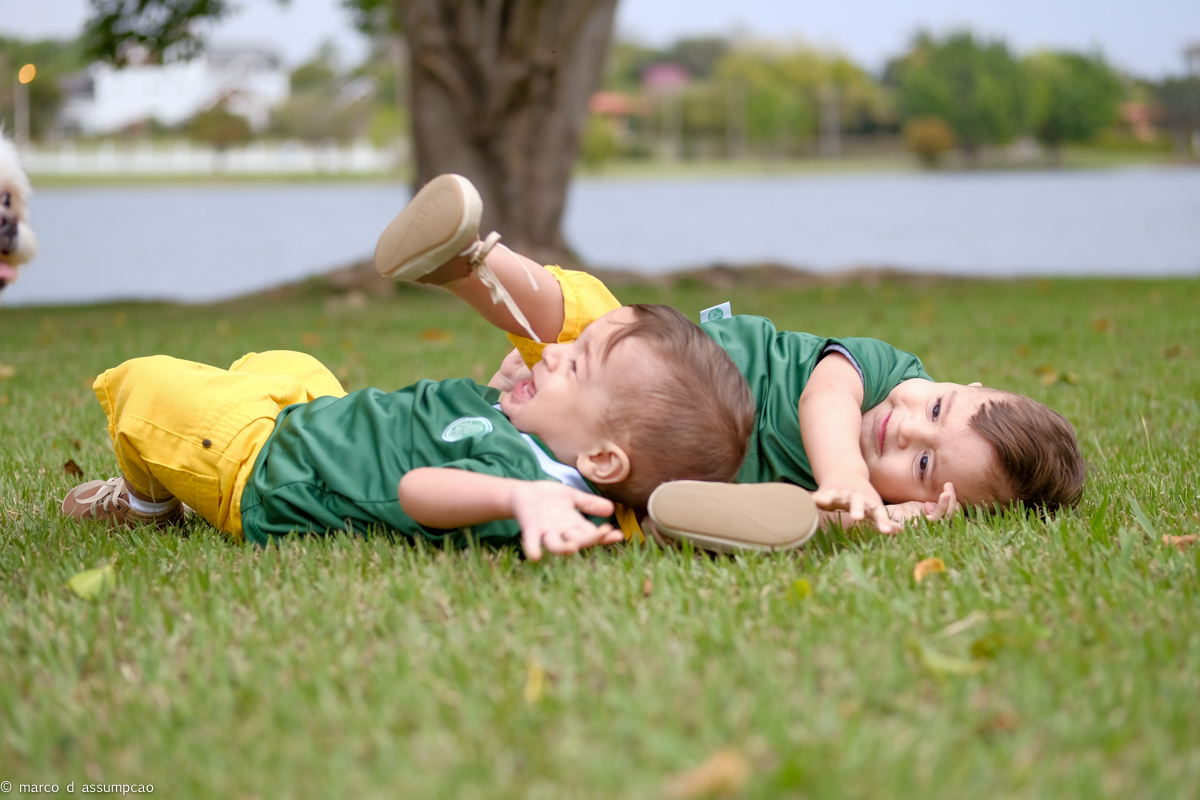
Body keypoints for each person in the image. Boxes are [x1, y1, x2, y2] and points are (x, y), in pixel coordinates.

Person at [373, 174, 1086, 549]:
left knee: (611, 497)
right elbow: (825, 400)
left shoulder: (861, 504)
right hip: (662, 369)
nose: (905, 430)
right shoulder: (882, 371)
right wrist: (842, 473)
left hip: (656, 451)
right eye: (937, 409)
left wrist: (871, 519)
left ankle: (529, 395)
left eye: (925, 465)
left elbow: (779, 519)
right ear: (967, 384)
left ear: (930, 504)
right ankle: (469, 259)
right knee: (591, 315)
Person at [60, 304, 757, 561]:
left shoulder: (530, 486)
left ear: (603, 458)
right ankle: (228, 411)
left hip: (268, 470)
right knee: (290, 365)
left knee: (142, 385)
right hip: (319, 420)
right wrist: (516, 394)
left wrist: (517, 501)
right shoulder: (549, 449)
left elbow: (419, 488)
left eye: (574, 368)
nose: (551, 355)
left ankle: (145, 505)